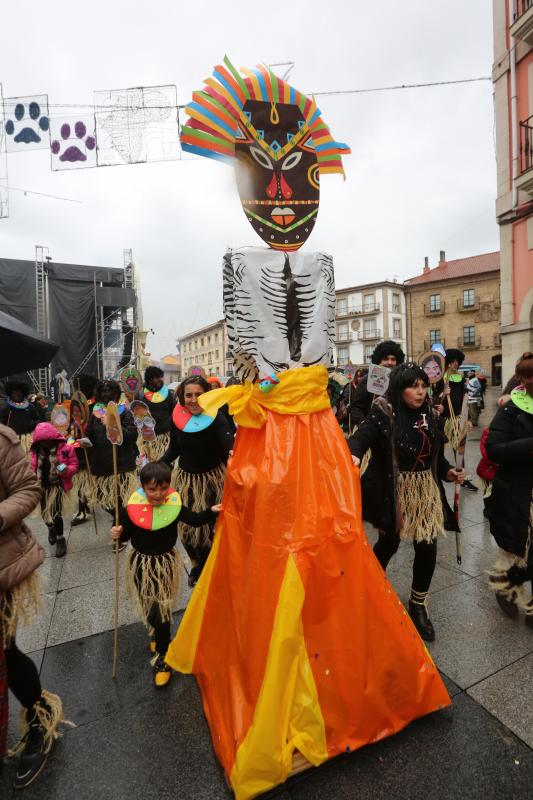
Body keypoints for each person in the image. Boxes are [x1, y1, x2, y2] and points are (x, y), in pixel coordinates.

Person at [349, 363, 464, 641]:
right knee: (389, 543)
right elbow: (359, 440)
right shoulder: (383, 414)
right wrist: (352, 455)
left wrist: (448, 471)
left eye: (424, 386)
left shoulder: (431, 415)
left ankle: (418, 603)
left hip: (424, 492)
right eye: (414, 386)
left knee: (427, 547)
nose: (420, 391)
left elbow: (436, 453)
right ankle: (371, 590)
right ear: (400, 389)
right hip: (394, 492)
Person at [0, 423, 69, 788]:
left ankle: (39, 715)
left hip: (1, 565)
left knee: (5, 651)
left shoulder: (1, 440)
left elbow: (28, 490)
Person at [110, 461, 221, 686]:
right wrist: (116, 532)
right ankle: (155, 632)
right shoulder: (131, 509)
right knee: (147, 602)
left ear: (169, 486)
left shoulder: (175, 505)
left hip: (165, 564)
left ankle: (163, 655)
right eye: (152, 489)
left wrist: (211, 511)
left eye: (163, 488)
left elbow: (195, 519)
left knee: (161, 609)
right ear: (142, 487)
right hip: (140, 563)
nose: (158, 494)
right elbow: (123, 536)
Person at [162, 376, 233, 586]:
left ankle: (211, 566)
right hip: (187, 482)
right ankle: (196, 563)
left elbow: (228, 447)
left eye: (199, 394)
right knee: (189, 531)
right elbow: (174, 449)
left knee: (212, 528)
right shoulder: (176, 419)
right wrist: (157, 465)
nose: (193, 400)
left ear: (207, 394)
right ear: (182, 397)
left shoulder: (217, 417)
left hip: (213, 481)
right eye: (189, 395)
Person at [485, 352, 533, 627]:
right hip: (517, 492)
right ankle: (505, 581)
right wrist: (529, 446)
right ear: (522, 379)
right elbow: (493, 449)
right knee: (518, 551)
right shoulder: (509, 410)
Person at [84, 379, 138, 523]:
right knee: (103, 501)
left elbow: (132, 435)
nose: (106, 394)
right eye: (103, 392)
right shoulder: (94, 415)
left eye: (109, 392)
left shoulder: (125, 412)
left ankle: (120, 528)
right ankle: (117, 520)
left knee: (122, 501)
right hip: (101, 467)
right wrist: (81, 438)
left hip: (122, 466)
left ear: (116, 395)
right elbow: (89, 436)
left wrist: (112, 426)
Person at [29, 422, 79, 558]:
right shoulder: (35, 451)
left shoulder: (66, 448)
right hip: (42, 487)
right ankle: (51, 529)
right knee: (45, 514)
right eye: (42, 441)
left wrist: (66, 470)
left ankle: (60, 539)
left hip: (57, 486)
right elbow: (31, 468)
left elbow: (75, 465)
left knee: (56, 513)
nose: (45, 443)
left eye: (47, 440)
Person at [435, 349, 478, 492]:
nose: (455, 364)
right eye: (452, 361)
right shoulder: (441, 379)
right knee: (438, 448)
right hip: (443, 420)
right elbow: (434, 399)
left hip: (457, 419)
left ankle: (462, 476)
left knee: (459, 449)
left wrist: (469, 419)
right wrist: (442, 395)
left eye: (457, 362)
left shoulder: (460, 379)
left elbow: (464, 400)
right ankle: (436, 472)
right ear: (447, 363)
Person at [347, 341, 405, 428]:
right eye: (385, 359)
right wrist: (364, 425)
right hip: (373, 432)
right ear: (378, 361)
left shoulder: (401, 380)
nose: (389, 362)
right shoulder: (366, 380)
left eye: (393, 359)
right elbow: (356, 408)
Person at [71, 374, 97, 526]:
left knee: (96, 479)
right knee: (81, 479)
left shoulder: (96, 405)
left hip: (94, 448)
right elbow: (71, 423)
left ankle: (103, 502)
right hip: (79, 448)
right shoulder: (75, 404)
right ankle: (83, 509)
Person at [142, 366, 176, 461]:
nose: (160, 379)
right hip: (148, 437)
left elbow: (175, 413)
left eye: (161, 376)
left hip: (165, 437)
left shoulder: (168, 394)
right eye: (157, 377)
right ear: (150, 379)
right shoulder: (141, 395)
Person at [0, 381, 40, 454]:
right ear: (10, 393)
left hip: (28, 439)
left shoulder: (30, 406)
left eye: (19, 392)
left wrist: (31, 427)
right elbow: (1, 425)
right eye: (14, 392)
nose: (17, 394)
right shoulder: (6, 408)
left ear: (23, 393)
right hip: (12, 440)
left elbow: (37, 419)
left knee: (29, 459)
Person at [340, 367, 367, 434]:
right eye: (359, 376)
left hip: (362, 418)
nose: (360, 378)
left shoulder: (367, 388)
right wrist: (347, 405)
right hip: (350, 419)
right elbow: (346, 401)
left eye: (362, 376)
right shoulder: (350, 387)